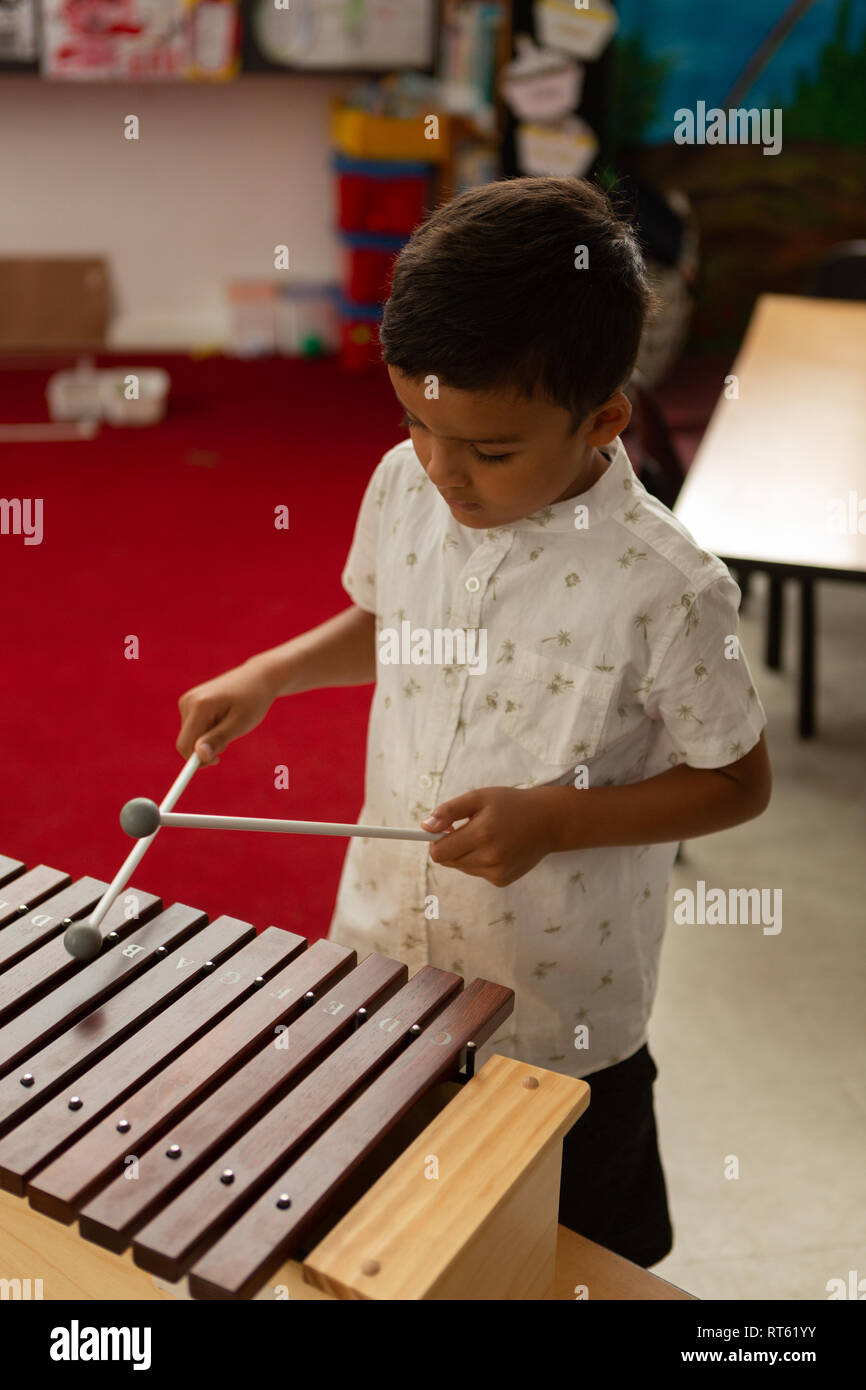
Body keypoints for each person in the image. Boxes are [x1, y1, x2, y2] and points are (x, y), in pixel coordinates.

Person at [176, 177, 771, 1268]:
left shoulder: (670, 590)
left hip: (561, 1016)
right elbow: (384, 619)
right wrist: (271, 673)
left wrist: (553, 819)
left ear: (602, 417)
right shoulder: (406, 481)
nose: (442, 469)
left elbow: (737, 782)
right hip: (387, 971)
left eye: (489, 451)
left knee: (574, 1258)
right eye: (415, 421)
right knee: (385, 1239)